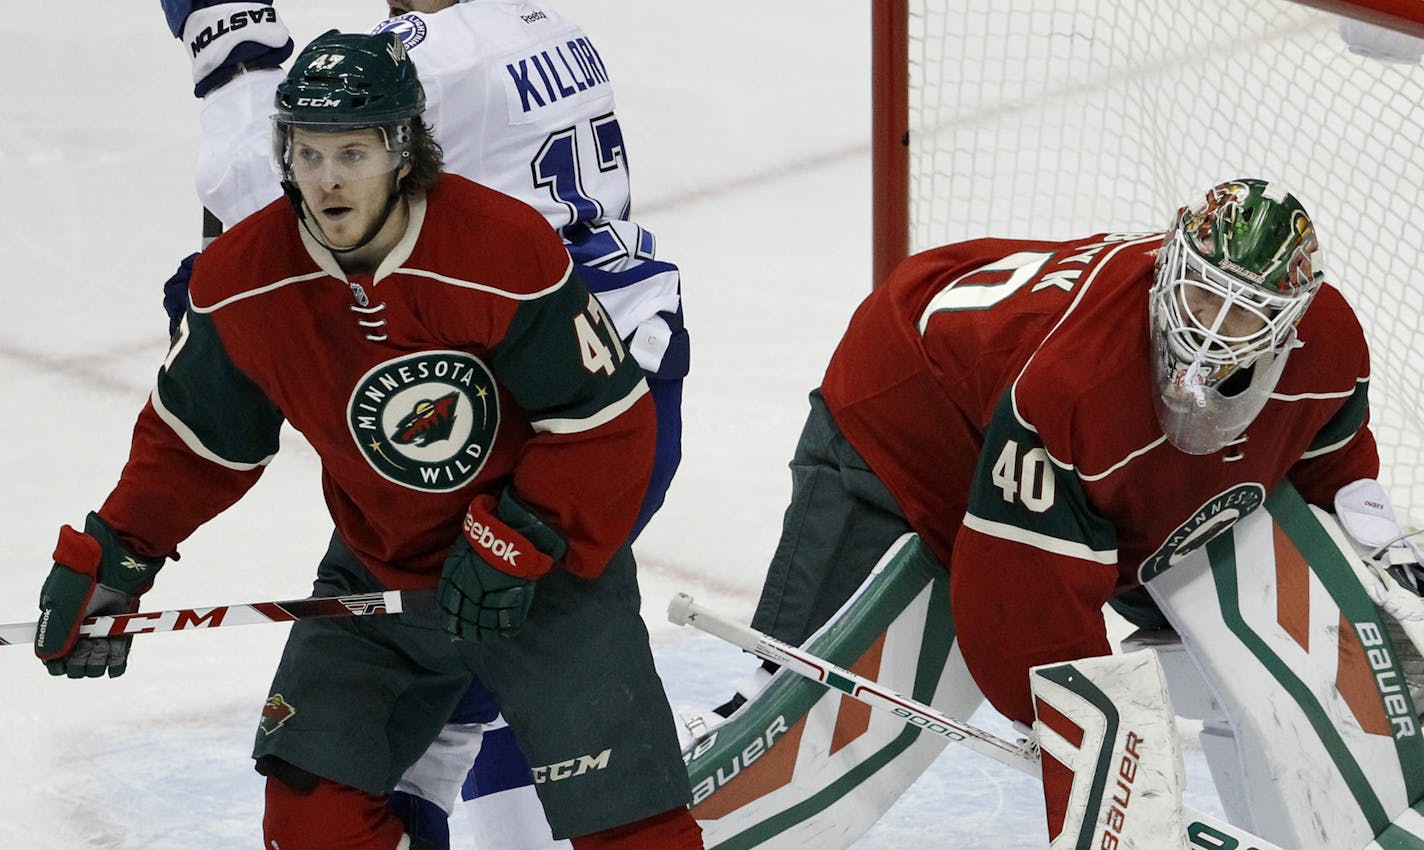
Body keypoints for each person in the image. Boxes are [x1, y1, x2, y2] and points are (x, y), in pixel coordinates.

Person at [34, 29, 702, 850]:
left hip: (540, 570)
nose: (327, 180)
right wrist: (119, 550)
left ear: (403, 150)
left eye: (351, 153)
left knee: (636, 829)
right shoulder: (244, 279)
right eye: (307, 155)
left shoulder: (502, 249)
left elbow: (605, 423)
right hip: (378, 565)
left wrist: (523, 538)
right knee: (311, 817)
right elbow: (197, 440)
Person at [734, 177, 1421, 736]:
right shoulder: (1078, 386)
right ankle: (753, 697)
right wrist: (1093, 727)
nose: (1210, 327)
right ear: (1170, 262)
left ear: (1291, 318)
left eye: (1242, 311)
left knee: (1224, 576)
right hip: (904, 403)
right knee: (788, 693)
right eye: (1204, 291)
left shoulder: (1327, 341)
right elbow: (1017, 608)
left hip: (1026, 400)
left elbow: (1326, 468)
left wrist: (1374, 547)